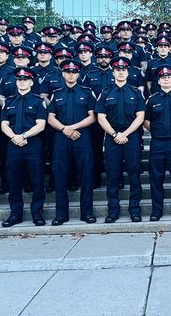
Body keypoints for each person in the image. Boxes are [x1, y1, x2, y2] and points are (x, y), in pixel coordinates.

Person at [96, 59, 147, 223]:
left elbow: (140, 117)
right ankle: (113, 211)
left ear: (127, 72)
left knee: (134, 175)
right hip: (112, 138)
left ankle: (135, 210)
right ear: (113, 72)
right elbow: (101, 117)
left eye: (123, 69)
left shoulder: (135, 92)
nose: (120, 72)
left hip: (131, 137)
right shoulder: (105, 93)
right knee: (112, 175)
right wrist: (114, 134)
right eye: (117, 69)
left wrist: (124, 133)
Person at [48, 60, 97, 225]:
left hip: (82, 137)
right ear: (63, 74)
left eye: (74, 72)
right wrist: (64, 129)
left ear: (78, 74)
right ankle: (61, 215)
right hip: (61, 138)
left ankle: (87, 213)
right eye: (67, 72)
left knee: (86, 175)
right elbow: (50, 117)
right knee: (60, 175)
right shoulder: (57, 93)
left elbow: (92, 116)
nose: (70, 74)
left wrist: (72, 127)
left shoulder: (87, 92)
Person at [1, 67, 48, 226]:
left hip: (32, 144)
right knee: (13, 181)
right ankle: (15, 214)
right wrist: (15, 137)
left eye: (25, 80)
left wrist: (24, 136)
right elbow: (4, 124)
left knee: (37, 180)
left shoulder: (37, 100)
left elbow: (41, 124)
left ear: (31, 82)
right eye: (20, 80)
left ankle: (37, 213)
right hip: (13, 144)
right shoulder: (8, 101)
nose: (22, 82)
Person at [145, 67, 171, 221]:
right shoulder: (152, 99)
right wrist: (157, 133)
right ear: (158, 81)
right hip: (157, 142)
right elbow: (146, 120)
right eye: (163, 78)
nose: (166, 79)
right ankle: (157, 211)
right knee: (156, 178)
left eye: (169, 77)